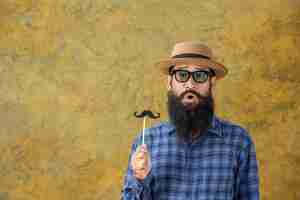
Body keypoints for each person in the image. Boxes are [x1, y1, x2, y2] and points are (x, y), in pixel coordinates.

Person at [121, 41, 260, 200]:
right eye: (181, 75)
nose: (190, 84)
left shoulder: (239, 140)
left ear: (211, 83)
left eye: (200, 76)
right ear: (169, 82)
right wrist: (140, 178)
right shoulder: (147, 142)